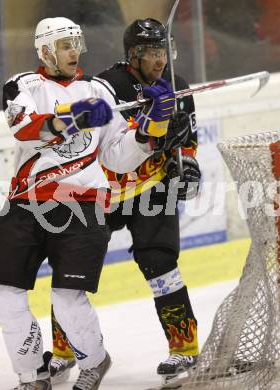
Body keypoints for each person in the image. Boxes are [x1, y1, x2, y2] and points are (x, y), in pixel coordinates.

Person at [0, 17, 176, 390]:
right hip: (25, 204)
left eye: (77, 44)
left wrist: (153, 125)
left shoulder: (98, 91)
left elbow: (118, 157)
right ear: (45, 50)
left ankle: (95, 362)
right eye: (66, 45)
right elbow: (27, 129)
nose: (75, 52)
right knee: (6, 298)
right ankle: (33, 375)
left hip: (82, 205)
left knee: (67, 300)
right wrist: (75, 116)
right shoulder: (23, 85)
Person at [46, 18, 201, 387]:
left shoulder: (178, 85)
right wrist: (151, 132)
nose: (160, 60)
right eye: (151, 53)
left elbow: (188, 138)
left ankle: (186, 348)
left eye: (163, 51)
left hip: (153, 187)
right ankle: (64, 350)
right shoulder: (105, 87)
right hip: (107, 189)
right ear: (133, 55)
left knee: (160, 264)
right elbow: (106, 145)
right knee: (72, 269)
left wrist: (188, 164)